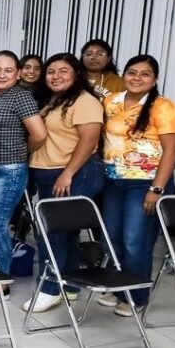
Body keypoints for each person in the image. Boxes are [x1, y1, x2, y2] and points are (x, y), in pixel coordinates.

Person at [24, 53, 105, 313]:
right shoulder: (51, 100)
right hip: (48, 172)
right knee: (66, 232)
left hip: (74, 173)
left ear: (76, 74)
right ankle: (69, 285)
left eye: (63, 71)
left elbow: (89, 141)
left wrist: (68, 173)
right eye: (51, 71)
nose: (55, 76)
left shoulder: (85, 101)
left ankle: (48, 289)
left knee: (52, 232)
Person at [99, 55, 175, 316]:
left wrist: (156, 189)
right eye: (132, 72)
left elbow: (171, 151)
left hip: (146, 183)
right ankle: (118, 287)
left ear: (154, 80)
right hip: (113, 180)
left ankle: (135, 295)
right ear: (124, 75)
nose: (137, 78)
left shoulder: (163, 106)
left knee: (135, 240)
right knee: (112, 237)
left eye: (145, 74)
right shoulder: (111, 101)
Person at [0, 51, 47, 303]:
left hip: (10, 170)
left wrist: (20, 152)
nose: (1, 75)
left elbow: (39, 135)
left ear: (17, 74)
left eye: (8, 70)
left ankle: (2, 281)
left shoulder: (21, 96)